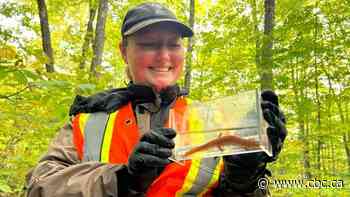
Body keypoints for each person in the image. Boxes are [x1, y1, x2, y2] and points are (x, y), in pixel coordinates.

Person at [25, 2, 287, 197]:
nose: (164, 56)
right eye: (149, 45)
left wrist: (245, 178)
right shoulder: (89, 122)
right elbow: (38, 186)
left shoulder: (216, 121)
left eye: (173, 45)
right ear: (123, 51)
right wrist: (124, 179)